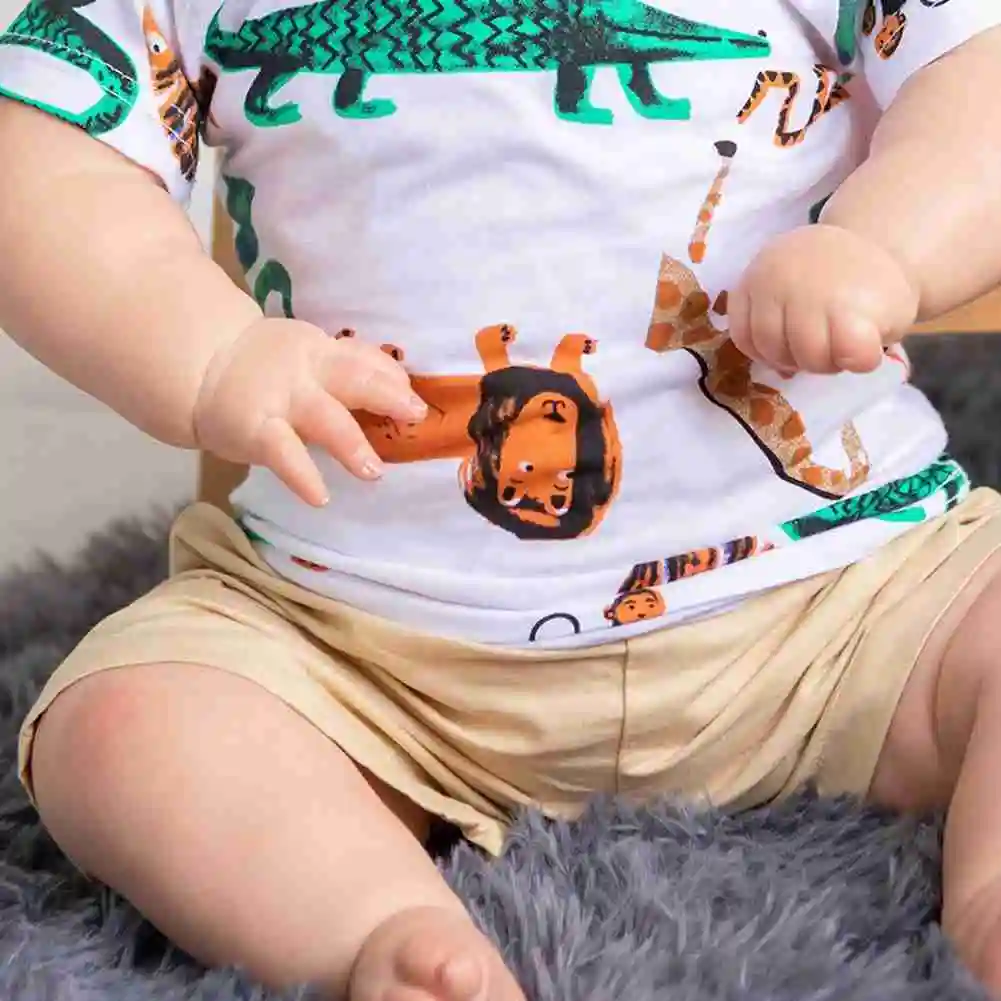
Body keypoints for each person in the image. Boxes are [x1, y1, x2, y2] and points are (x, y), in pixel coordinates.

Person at [1, 0, 1001, 997]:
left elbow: (975, 72)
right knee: (124, 726)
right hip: (360, 648)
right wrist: (209, 351)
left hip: (842, 604)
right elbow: (43, 148)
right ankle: (370, 926)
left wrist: (886, 244)